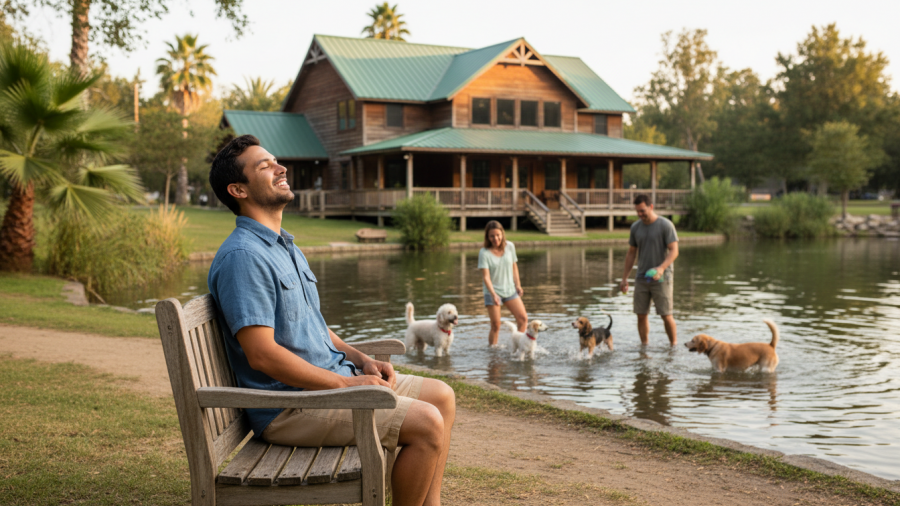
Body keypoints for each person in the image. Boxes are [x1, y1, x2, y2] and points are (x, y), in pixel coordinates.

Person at [206, 135, 455, 506]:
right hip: (291, 406)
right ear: (237, 189)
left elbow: (315, 326)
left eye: (276, 161)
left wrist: (360, 359)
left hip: (329, 384)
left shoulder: (283, 246)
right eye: (265, 166)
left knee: (443, 398)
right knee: (427, 423)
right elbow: (262, 355)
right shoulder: (244, 257)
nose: (281, 168)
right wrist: (346, 386)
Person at [618, 194, 679, 346]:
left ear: (651, 207)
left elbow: (674, 251)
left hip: (662, 277)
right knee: (641, 315)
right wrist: (625, 278)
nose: (639, 214)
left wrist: (661, 268)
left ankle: (674, 346)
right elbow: (631, 253)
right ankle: (644, 347)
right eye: (637, 211)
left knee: (666, 315)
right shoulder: (635, 227)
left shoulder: (666, 225)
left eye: (642, 210)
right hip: (642, 277)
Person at [478, 220, 527, 346]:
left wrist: (518, 285)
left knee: (523, 319)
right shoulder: (484, 253)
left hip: (510, 290)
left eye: (498, 235)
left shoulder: (510, 246)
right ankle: (493, 352)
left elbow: (514, 266)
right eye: (492, 236)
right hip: (492, 292)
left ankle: (517, 346)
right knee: (496, 325)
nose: (496, 238)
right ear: (487, 237)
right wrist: (494, 294)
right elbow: (486, 277)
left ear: (502, 234)